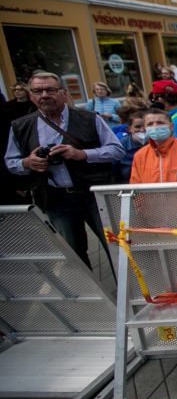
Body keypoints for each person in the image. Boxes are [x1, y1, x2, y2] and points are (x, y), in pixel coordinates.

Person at [6, 71, 123, 267]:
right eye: (37, 91)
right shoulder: (21, 126)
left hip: (94, 195)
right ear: (31, 95)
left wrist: (82, 154)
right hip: (56, 199)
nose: (44, 95)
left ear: (63, 92)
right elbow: (10, 162)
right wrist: (28, 163)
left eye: (50, 90)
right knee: (74, 256)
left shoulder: (88, 118)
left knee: (116, 249)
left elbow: (116, 150)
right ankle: (91, 296)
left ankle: (125, 295)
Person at [113, 110, 146, 183]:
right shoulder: (120, 146)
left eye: (146, 126)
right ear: (129, 129)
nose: (142, 130)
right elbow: (114, 171)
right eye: (137, 127)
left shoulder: (157, 143)